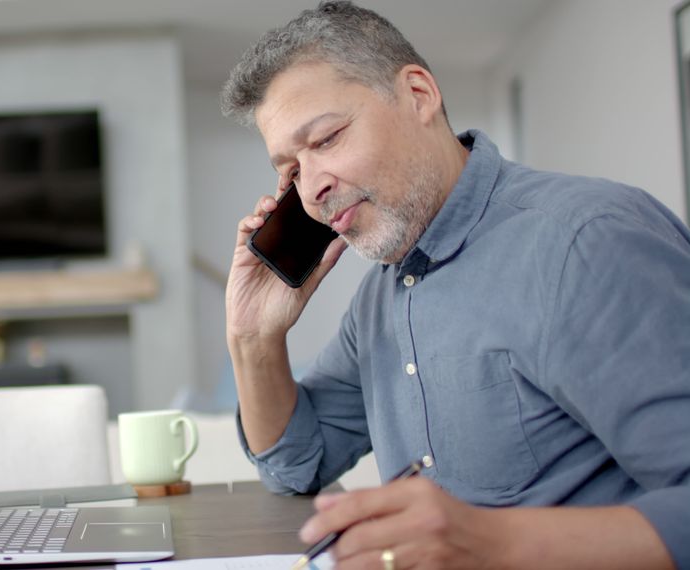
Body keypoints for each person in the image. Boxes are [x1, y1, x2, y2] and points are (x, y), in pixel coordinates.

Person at [220, 2, 690, 569]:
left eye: (326, 139)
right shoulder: (381, 295)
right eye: (291, 170)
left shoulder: (587, 243)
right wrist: (253, 339)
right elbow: (297, 464)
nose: (312, 188)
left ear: (418, 95)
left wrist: (495, 545)